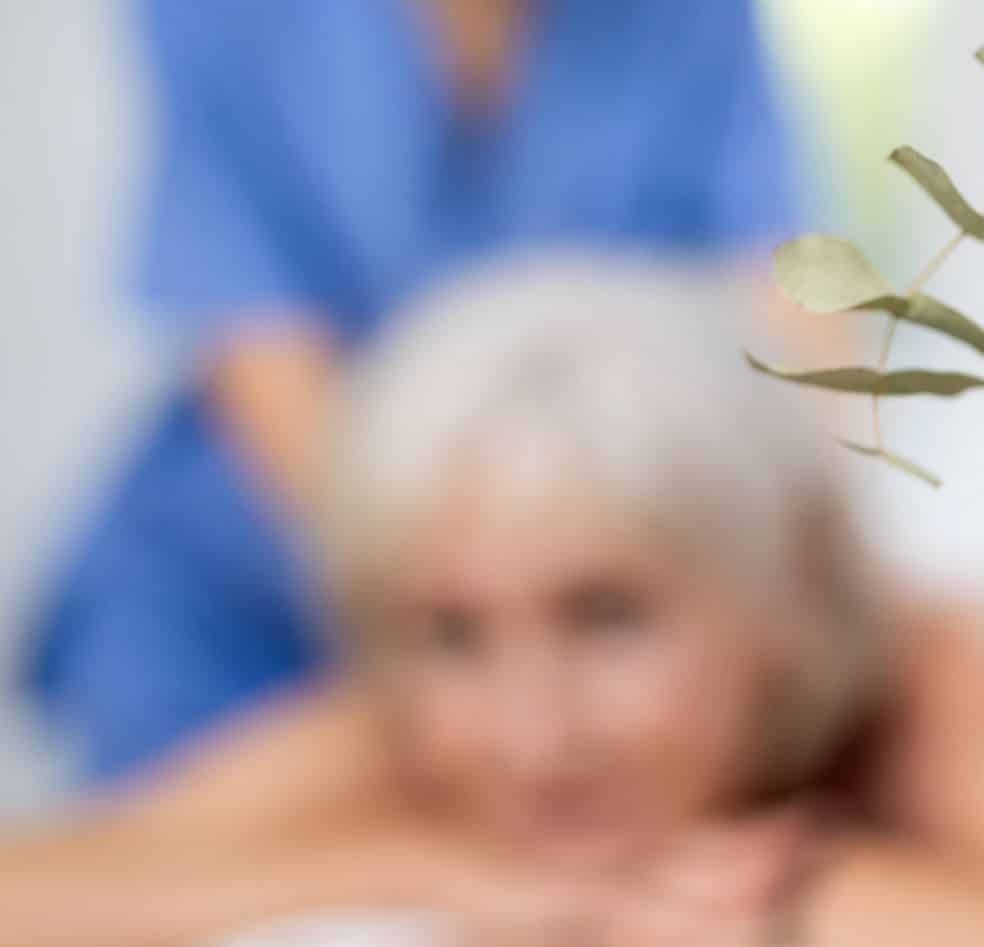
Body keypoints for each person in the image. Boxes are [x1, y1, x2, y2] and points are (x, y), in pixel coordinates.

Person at [2, 257, 984, 947]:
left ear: (786, 590)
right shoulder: (406, 733)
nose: (532, 738)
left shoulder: (935, 696)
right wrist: (406, 867)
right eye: (449, 633)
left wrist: (799, 889)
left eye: (607, 614)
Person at [25, 0, 814, 787]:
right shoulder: (221, 17)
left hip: (565, 597)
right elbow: (253, 333)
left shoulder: (690, 18)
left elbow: (787, 298)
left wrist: (813, 562)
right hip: (260, 577)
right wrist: (448, 635)